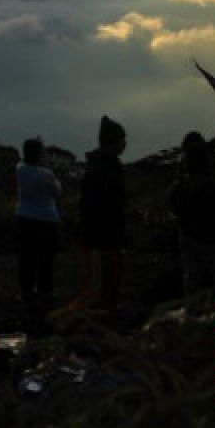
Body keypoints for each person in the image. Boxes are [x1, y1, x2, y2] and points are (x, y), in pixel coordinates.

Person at [170, 113, 215, 293]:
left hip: (186, 234)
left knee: (192, 275)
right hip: (209, 236)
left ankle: (190, 312)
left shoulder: (179, 181)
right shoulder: (209, 186)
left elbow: (174, 205)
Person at [79, 115, 127, 322]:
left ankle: (105, 321)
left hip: (106, 235)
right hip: (100, 236)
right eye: (122, 139)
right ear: (114, 142)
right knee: (101, 287)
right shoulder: (100, 170)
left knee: (107, 285)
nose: (125, 143)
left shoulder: (102, 167)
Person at [16, 137, 62, 300]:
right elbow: (57, 192)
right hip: (46, 219)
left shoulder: (20, 170)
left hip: (25, 217)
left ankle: (27, 289)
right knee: (46, 258)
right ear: (40, 154)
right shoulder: (46, 174)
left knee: (27, 256)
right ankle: (45, 289)